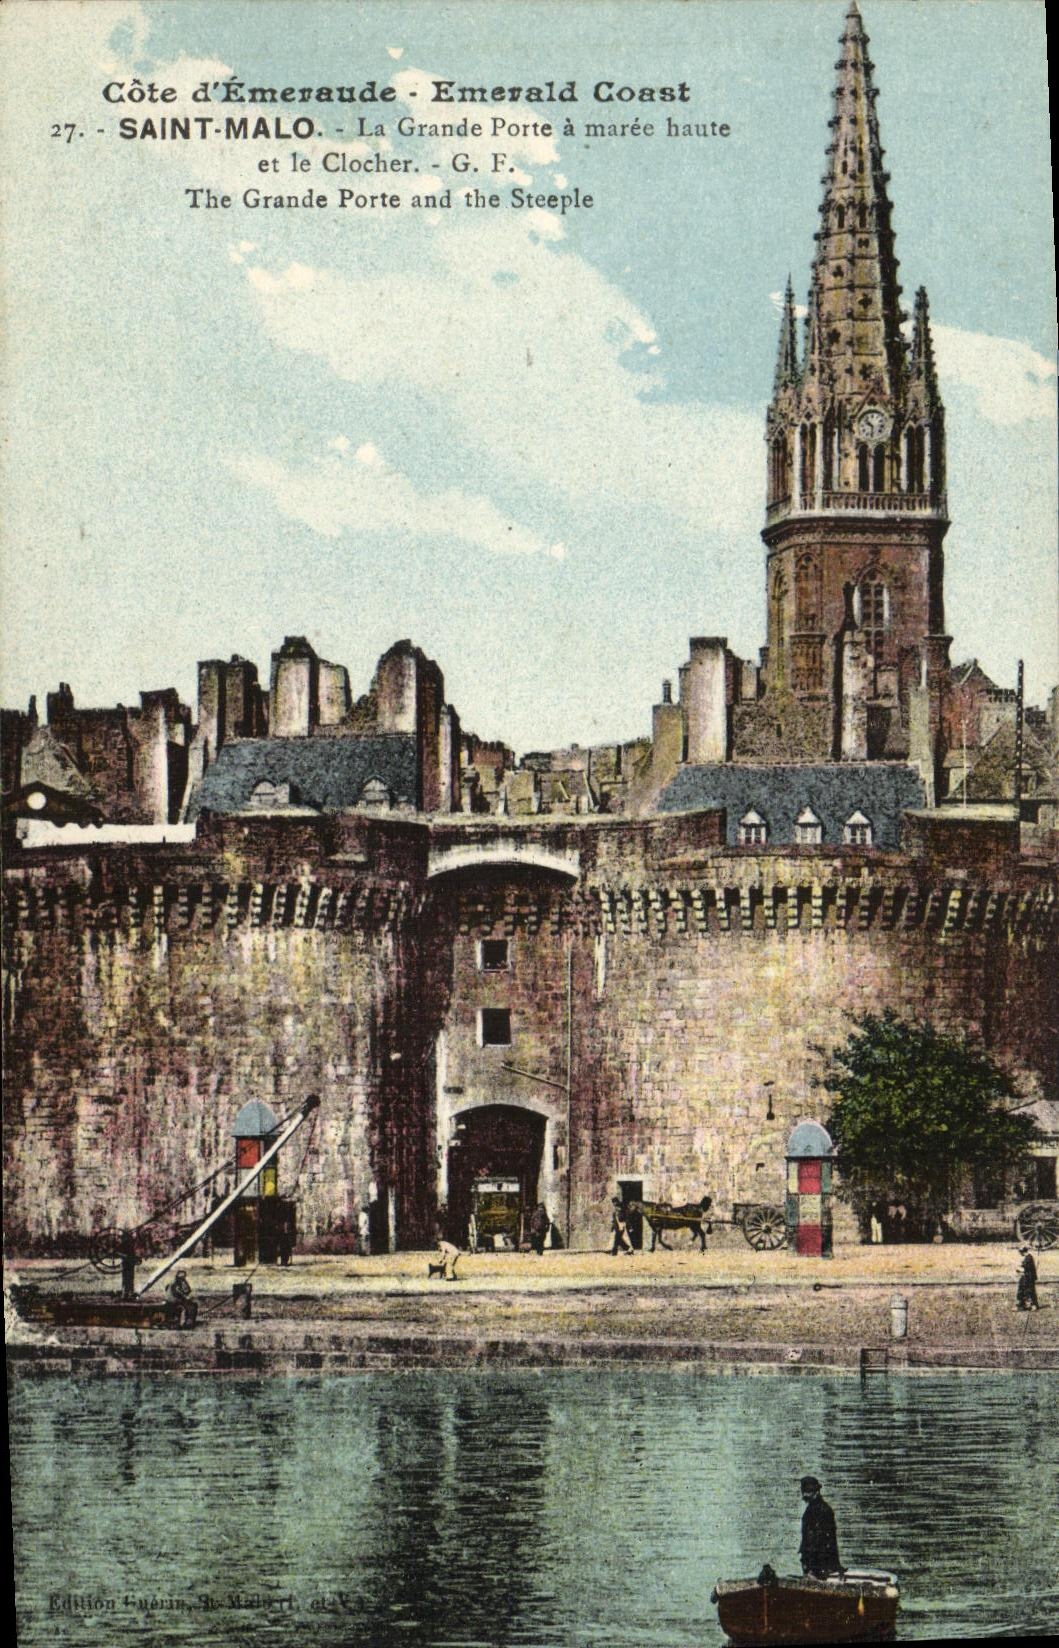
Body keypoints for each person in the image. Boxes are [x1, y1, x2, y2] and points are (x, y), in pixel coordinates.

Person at [799, 1476, 842, 1579]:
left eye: (808, 1491)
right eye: (804, 1491)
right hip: (814, 1564)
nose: (805, 1494)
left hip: (821, 1566)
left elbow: (821, 1541)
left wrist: (812, 1568)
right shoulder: (812, 1509)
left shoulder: (822, 1510)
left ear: (817, 1491)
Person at [1016, 1246, 1040, 1311]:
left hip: (1029, 1277)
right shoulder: (1028, 1257)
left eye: (1020, 1252)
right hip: (1026, 1276)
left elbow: (1027, 1268)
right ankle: (1021, 1305)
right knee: (1022, 1290)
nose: (1020, 1254)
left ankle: (1033, 1305)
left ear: (1023, 1252)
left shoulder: (1028, 1258)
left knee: (1030, 1291)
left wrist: (1019, 1269)